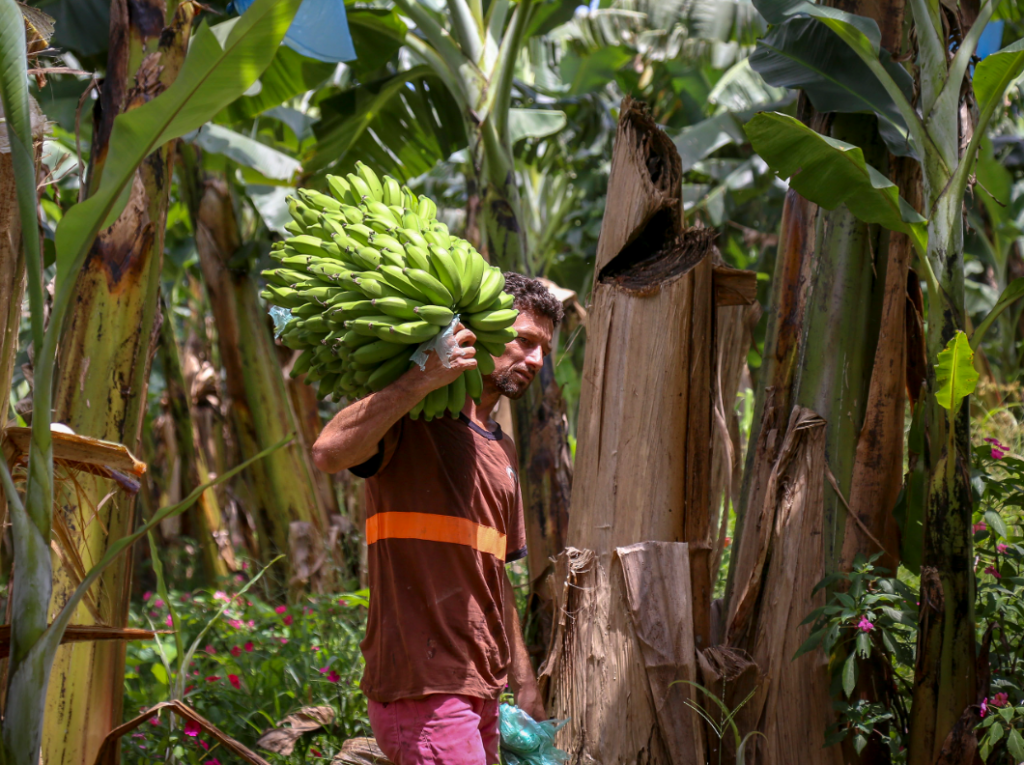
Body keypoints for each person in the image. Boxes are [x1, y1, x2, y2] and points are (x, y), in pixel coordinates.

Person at [311, 272, 563, 765]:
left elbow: (495, 577)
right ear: (484, 331)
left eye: (543, 352)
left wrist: (524, 683)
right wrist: (423, 376)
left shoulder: (502, 449)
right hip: (423, 683)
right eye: (524, 340)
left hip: (481, 687)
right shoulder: (415, 418)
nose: (534, 360)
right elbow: (327, 452)